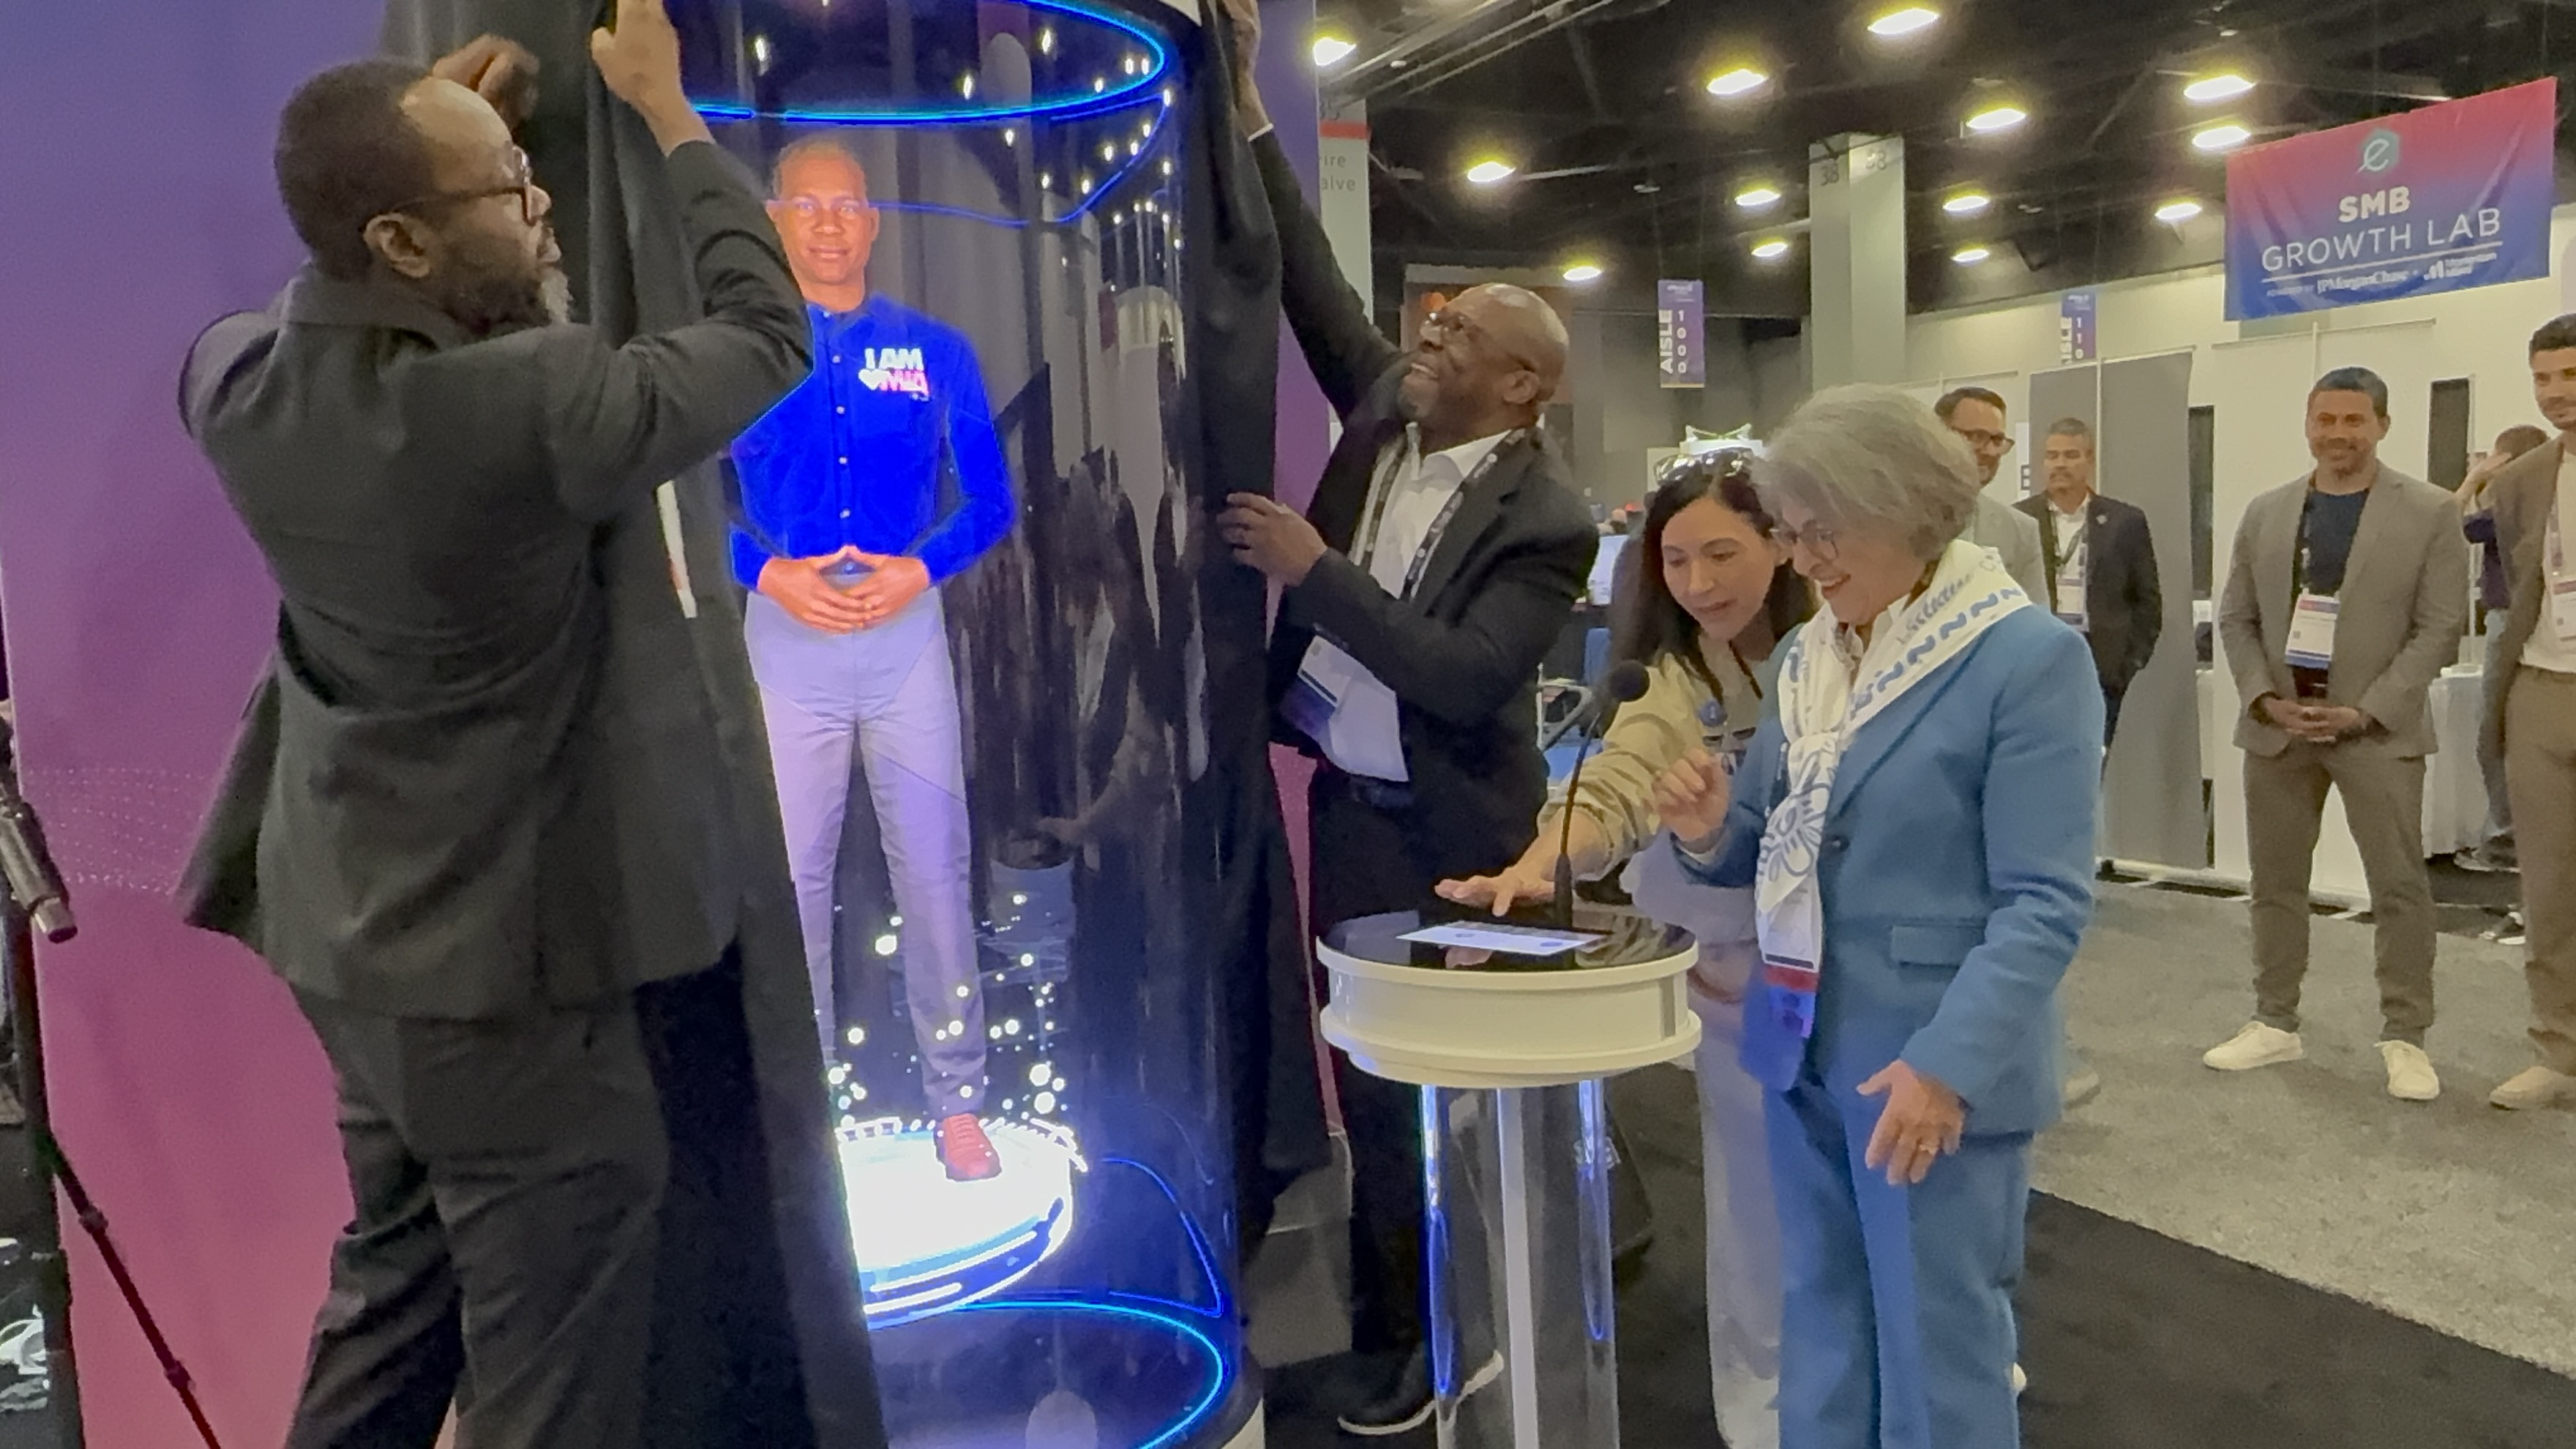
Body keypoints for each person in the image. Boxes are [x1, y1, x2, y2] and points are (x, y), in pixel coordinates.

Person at [175, 5, 820, 1443]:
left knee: (393, 1297)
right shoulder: (531, 402)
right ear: (401, 242)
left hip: (343, 941)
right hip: (500, 986)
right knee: (555, 1369)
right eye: (510, 191)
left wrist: (419, 180)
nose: (539, 208)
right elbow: (769, 337)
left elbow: (318, 299)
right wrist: (667, 116)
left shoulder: (230, 381)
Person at [1214, 2, 1595, 1433]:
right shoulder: (1381, 409)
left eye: (1462, 334)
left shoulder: (1547, 519)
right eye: (1432, 321)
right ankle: (1395, 1350)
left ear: (1521, 385)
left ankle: (1470, 1344)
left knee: (1447, 1117)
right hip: (1350, 822)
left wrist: (1317, 575)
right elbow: (1309, 274)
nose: (1427, 338)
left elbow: (1457, 677)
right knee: (1367, 1100)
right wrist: (1250, 104)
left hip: (1456, 844)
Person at [1653, 385, 2100, 1449]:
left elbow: (2044, 902)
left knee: (1939, 1347)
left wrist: (1949, 1064)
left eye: (1825, 532)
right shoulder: (1814, 654)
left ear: (1905, 509)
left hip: (1929, 1066)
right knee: (1821, 1323)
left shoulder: (2027, 659)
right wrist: (1711, 825)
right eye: (1795, 534)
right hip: (1800, 1039)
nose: (1806, 560)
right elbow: (1766, 836)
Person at [1440, 449, 1808, 1448]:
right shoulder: (1672, 677)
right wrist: (1536, 867)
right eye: (1677, 560)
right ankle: (1768, 1410)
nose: (1700, 582)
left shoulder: (1841, 651)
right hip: (1739, 977)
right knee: (1758, 1201)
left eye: (1722, 552)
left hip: (1862, 964)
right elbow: (1610, 786)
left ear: (1784, 542)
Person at [728, 133, 1016, 1180]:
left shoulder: (934, 351)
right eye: (809, 208)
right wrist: (767, 575)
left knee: (934, 869)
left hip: (902, 635)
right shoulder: (746, 351)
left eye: (848, 206)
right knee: (792, 880)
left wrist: (922, 569)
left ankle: (959, 1102)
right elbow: (684, 498)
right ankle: (803, 1118)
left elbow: (990, 499)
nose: (831, 224)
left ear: (874, 221)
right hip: (787, 633)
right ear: (776, 222)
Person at [2204, 367, 2468, 1101]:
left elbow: (2439, 624)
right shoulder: (2266, 512)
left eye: (2354, 420)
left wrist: (2367, 710)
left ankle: (2405, 1036)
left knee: (2398, 887)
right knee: (2275, 884)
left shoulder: (2429, 511)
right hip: (2279, 731)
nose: (2337, 434)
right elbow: (2235, 618)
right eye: (2325, 419)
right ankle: (2274, 1020)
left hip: (2375, 733)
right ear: (2307, 424)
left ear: (2381, 425)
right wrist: (2263, 698)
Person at [2476, 315, 2576, 1110]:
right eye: (2542, 378)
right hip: (2540, 689)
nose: (2555, 394)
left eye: (2569, 375)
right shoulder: (2520, 480)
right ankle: (2557, 1050)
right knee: (2546, 887)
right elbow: (2516, 585)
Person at [2015, 417, 2164, 746]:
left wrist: (2129, 664)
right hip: (2037, 663)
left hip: (2102, 666)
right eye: (2052, 456)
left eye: (2070, 455)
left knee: (2092, 759)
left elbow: (2148, 602)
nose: (2060, 465)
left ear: (2090, 459)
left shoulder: (2125, 521)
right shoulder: (2021, 520)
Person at [2455, 422, 2550, 875]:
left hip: (2507, 620)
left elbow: (2451, 523)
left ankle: (2504, 837)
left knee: (2492, 729)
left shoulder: (2511, 506)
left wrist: (2475, 479)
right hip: (2535, 621)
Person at [1932, 386, 2049, 602]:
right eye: (1977, 437)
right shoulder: (1891, 516)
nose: (1991, 451)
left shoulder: (2021, 532)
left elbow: (2037, 628)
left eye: (1997, 440)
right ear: (1938, 435)